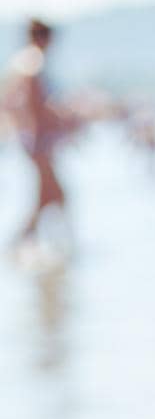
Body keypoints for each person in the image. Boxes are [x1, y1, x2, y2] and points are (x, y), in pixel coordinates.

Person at [4, 18, 71, 247]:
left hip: (30, 137)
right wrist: (51, 123)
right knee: (56, 194)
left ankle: (27, 243)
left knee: (47, 195)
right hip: (37, 138)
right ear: (44, 38)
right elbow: (35, 103)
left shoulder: (22, 61)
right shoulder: (34, 61)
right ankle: (62, 246)